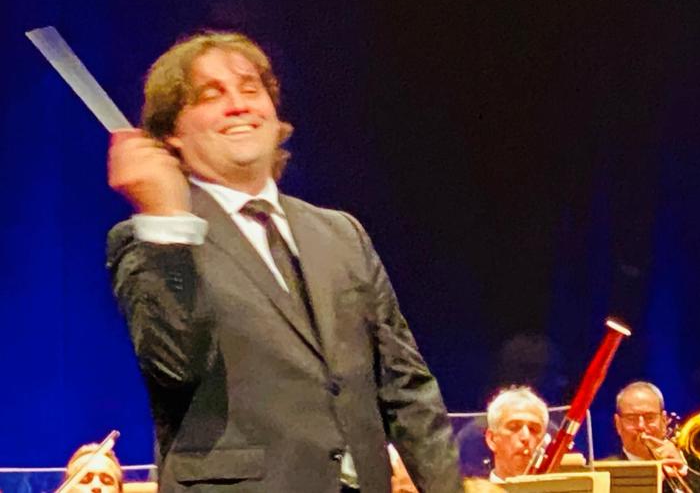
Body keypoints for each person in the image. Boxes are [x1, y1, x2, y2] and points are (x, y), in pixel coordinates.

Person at [106, 31, 462, 492]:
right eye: (211, 96)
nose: (238, 105)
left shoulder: (341, 233)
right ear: (171, 134)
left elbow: (406, 387)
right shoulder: (155, 239)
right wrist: (167, 219)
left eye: (250, 89)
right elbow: (174, 367)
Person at [612, 381, 700, 492]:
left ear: (664, 421)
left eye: (650, 417)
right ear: (618, 424)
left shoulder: (687, 469)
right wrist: (652, 481)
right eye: (631, 418)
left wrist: (686, 470)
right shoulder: (606, 471)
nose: (641, 426)